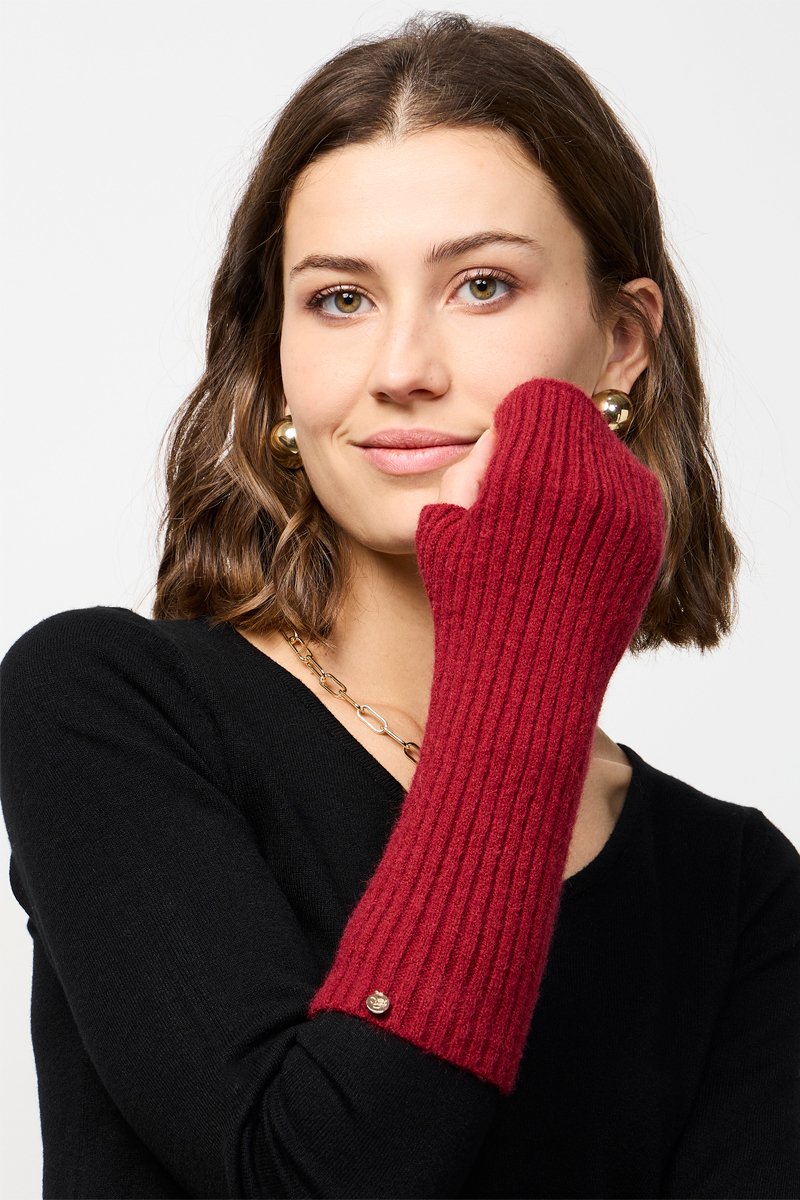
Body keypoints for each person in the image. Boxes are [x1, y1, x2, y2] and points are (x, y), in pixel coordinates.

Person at [2, 11, 798, 1199]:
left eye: (481, 286)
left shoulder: (732, 886)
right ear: (276, 356)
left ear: (621, 341)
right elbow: (313, 1178)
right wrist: (524, 669)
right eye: (339, 299)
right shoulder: (111, 706)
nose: (400, 369)